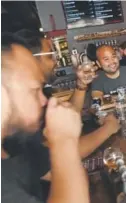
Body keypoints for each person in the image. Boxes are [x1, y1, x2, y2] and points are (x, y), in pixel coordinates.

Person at [1, 33, 89, 203]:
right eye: (34, 90)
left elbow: (51, 170)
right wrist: (64, 141)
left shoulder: (13, 147)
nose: (43, 100)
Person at [15, 29, 95, 112]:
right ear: (31, 61)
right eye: (50, 56)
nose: (56, 61)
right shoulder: (25, 103)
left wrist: (81, 84)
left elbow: (69, 117)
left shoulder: (39, 94)